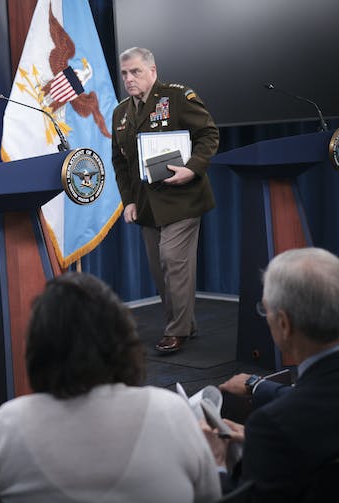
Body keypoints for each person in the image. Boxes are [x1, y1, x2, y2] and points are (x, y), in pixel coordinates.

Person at [0, 272, 221, 502]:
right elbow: (210, 496)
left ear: (38, 349)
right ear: (123, 337)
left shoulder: (6, 426)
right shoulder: (171, 412)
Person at [203, 248, 339, 501]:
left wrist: (217, 462)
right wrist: (260, 445)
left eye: (265, 310)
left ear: (284, 324)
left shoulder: (275, 424)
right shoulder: (277, 429)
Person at [111, 47, 219, 354]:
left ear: (153, 71)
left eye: (135, 72)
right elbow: (120, 164)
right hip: (147, 205)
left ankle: (177, 331)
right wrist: (128, 202)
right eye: (124, 73)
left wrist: (192, 169)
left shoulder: (177, 98)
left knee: (173, 261)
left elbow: (209, 135)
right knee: (161, 271)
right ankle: (188, 323)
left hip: (183, 198)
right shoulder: (120, 113)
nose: (129, 79)